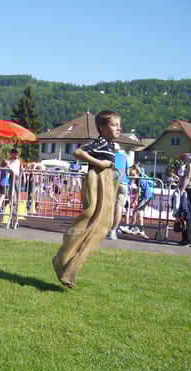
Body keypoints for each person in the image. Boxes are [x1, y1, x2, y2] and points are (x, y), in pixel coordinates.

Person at [52, 110, 120, 288]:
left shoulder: (111, 145)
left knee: (100, 228)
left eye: (119, 125)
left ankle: (69, 268)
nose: (118, 128)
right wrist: (100, 164)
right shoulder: (101, 142)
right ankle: (62, 259)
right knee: (90, 221)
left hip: (107, 184)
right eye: (114, 125)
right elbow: (79, 152)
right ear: (102, 127)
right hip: (97, 183)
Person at [107, 143, 129, 240]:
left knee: (109, 207)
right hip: (123, 182)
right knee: (119, 208)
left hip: (112, 182)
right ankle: (113, 231)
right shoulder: (124, 157)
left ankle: (106, 228)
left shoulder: (109, 156)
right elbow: (126, 171)